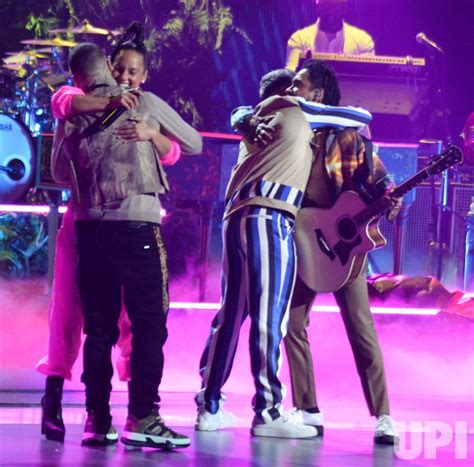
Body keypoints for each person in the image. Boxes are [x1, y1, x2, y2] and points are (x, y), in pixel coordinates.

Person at [195, 69, 372, 439]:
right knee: (269, 316)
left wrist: (243, 115)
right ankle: (269, 410)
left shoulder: (256, 121)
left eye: (298, 83)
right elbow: (360, 117)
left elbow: (241, 113)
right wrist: (306, 103)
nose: (295, 88)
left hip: (237, 218)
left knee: (232, 314)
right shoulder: (296, 109)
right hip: (270, 215)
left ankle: (209, 405)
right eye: (292, 85)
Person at [37, 24, 184, 443]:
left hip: (124, 223)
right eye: (117, 67)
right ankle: (64, 403)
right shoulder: (75, 99)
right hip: (82, 224)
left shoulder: (141, 105)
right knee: (72, 317)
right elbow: (62, 102)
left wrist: (151, 134)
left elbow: (175, 151)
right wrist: (106, 106)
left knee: (127, 322)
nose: (124, 76)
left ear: (144, 74)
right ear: (101, 68)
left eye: (132, 70)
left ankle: (131, 413)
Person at [279, 59, 399, 445]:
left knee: (361, 330)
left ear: (318, 93)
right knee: (292, 326)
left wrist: (390, 199)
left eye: (299, 84)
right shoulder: (290, 135)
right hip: (304, 242)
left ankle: (383, 417)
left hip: (344, 250)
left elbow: (380, 181)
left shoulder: (350, 139)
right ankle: (308, 409)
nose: (291, 89)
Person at [286, 0, 375, 70]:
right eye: (326, 5)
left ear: (344, 8)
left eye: (335, 6)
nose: (331, 11)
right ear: (317, 7)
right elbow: (291, 75)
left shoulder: (363, 40)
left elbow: (367, 78)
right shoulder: (299, 39)